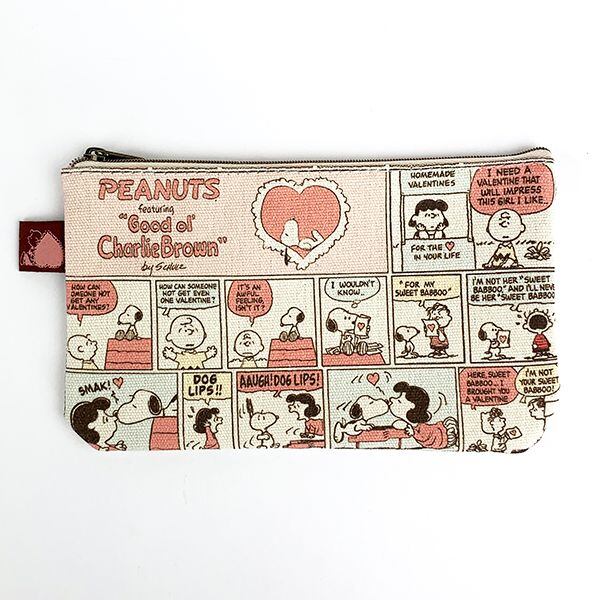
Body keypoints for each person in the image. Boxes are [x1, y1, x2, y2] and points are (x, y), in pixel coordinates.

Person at [388, 381, 458, 449]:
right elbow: (397, 424)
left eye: (399, 401)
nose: (392, 399)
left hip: (441, 438)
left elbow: (423, 437)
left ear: (412, 407)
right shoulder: (413, 425)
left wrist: (413, 433)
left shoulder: (421, 427)